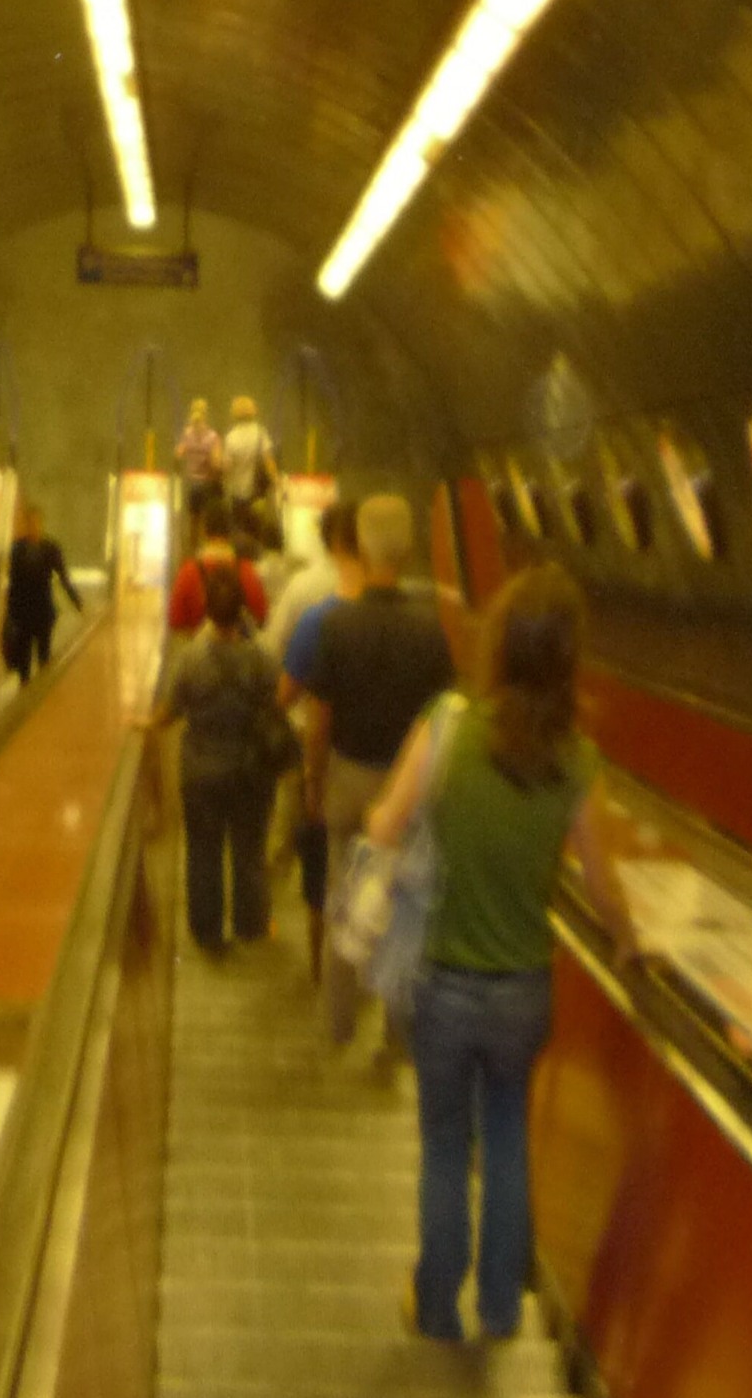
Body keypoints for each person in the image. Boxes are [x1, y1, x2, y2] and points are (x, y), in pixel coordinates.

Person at [365, 565, 626, 1347]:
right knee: (507, 1137)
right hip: (522, 989)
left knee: (446, 1146)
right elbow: (602, 881)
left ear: (500, 644)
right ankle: (503, 1309)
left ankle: (436, 1304)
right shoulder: (575, 760)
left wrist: (410, 826)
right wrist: (629, 942)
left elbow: (383, 827)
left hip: (444, 984)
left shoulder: (449, 727)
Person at [282, 491, 449, 1052]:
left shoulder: (338, 625)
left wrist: (314, 780)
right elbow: (438, 721)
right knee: (404, 907)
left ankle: (339, 1025)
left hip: (347, 778)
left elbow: (320, 717)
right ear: (407, 552)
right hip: (405, 785)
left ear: (363, 548)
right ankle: (395, 1038)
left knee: (342, 900)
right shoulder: (429, 631)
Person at [158, 565, 283, 955]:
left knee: (203, 851)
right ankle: (250, 925)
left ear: (207, 610)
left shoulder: (190, 658)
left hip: (202, 769)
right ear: (242, 610)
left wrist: (146, 723)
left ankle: (207, 932)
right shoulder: (262, 658)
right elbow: (276, 703)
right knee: (250, 850)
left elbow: (170, 712)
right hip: (251, 769)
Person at [266, 496, 360, 977]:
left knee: (302, 832)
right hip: (367, 752)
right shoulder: (377, 598)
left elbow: (275, 657)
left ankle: (283, 918)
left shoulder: (305, 591)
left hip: (308, 740)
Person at [0, 504, 82, 684]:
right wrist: (9, 612)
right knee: (23, 661)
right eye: (29, 523)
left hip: (43, 611)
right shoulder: (16, 549)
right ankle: (25, 689)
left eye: (35, 523)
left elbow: (63, 577)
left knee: (44, 656)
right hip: (22, 613)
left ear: (41, 524)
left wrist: (76, 601)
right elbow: (13, 582)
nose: (33, 527)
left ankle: (40, 690)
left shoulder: (50, 548)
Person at [166, 519, 269, 634]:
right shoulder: (247, 570)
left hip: (196, 642)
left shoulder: (187, 572)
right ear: (229, 533)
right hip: (238, 642)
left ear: (204, 532)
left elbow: (175, 622)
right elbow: (261, 616)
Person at [220, 394, 278, 516]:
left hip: (237, 493)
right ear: (253, 411)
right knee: (257, 524)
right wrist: (276, 481)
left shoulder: (231, 437)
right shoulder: (261, 433)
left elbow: (226, 468)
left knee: (239, 524)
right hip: (258, 494)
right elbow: (268, 461)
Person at [174, 398, 221, 536]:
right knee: (205, 518)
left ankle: (193, 544)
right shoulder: (212, 436)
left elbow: (178, 454)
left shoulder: (186, 434)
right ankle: (203, 543)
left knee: (193, 518)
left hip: (192, 481)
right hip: (207, 481)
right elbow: (216, 462)